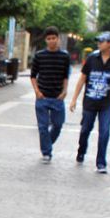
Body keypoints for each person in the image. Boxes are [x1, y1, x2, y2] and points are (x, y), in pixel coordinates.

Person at [68, 31, 110, 174]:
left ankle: (101, 163)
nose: (99, 43)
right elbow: (82, 79)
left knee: (104, 132)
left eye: (102, 41)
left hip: (107, 104)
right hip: (90, 102)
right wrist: (74, 99)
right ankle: (81, 151)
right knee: (85, 129)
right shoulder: (92, 59)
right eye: (98, 40)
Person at [30, 26, 71, 163]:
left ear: (58, 39)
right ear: (46, 40)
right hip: (42, 97)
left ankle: (47, 144)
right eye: (49, 39)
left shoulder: (64, 56)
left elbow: (66, 76)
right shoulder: (39, 56)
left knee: (58, 125)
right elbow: (33, 75)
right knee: (42, 127)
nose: (52, 41)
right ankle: (47, 152)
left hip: (57, 97)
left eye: (54, 38)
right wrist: (37, 91)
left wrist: (65, 91)